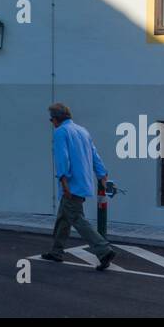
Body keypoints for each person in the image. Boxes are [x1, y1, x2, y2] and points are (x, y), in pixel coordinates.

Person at [41, 102, 116, 270]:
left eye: (51, 119)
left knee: (76, 218)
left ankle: (104, 250)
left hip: (71, 184)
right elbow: (95, 155)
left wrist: (63, 181)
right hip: (84, 182)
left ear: (56, 119)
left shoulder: (60, 132)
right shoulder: (83, 131)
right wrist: (103, 176)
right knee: (63, 217)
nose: (51, 123)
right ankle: (56, 251)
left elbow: (62, 158)